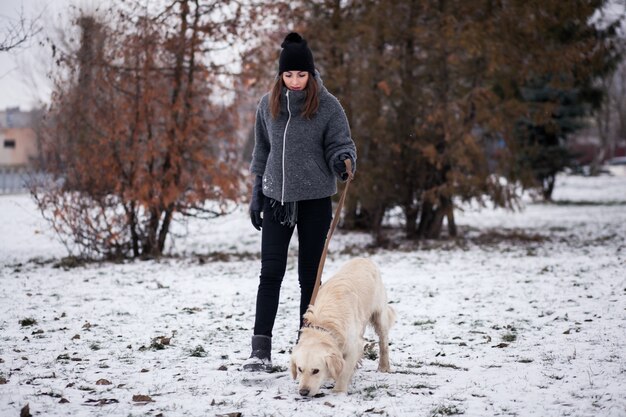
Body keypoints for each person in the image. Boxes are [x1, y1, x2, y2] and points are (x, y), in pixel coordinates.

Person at [243, 32, 357, 372]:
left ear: (311, 73)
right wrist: (256, 195)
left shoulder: (327, 106)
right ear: (281, 75)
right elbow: (262, 152)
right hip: (276, 200)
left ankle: (306, 345)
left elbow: (341, 144)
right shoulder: (268, 105)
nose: (294, 81)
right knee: (270, 273)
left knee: (310, 277)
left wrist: (343, 160)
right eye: (288, 75)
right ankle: (260, 351)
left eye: (301, 74)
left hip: (314, 202)